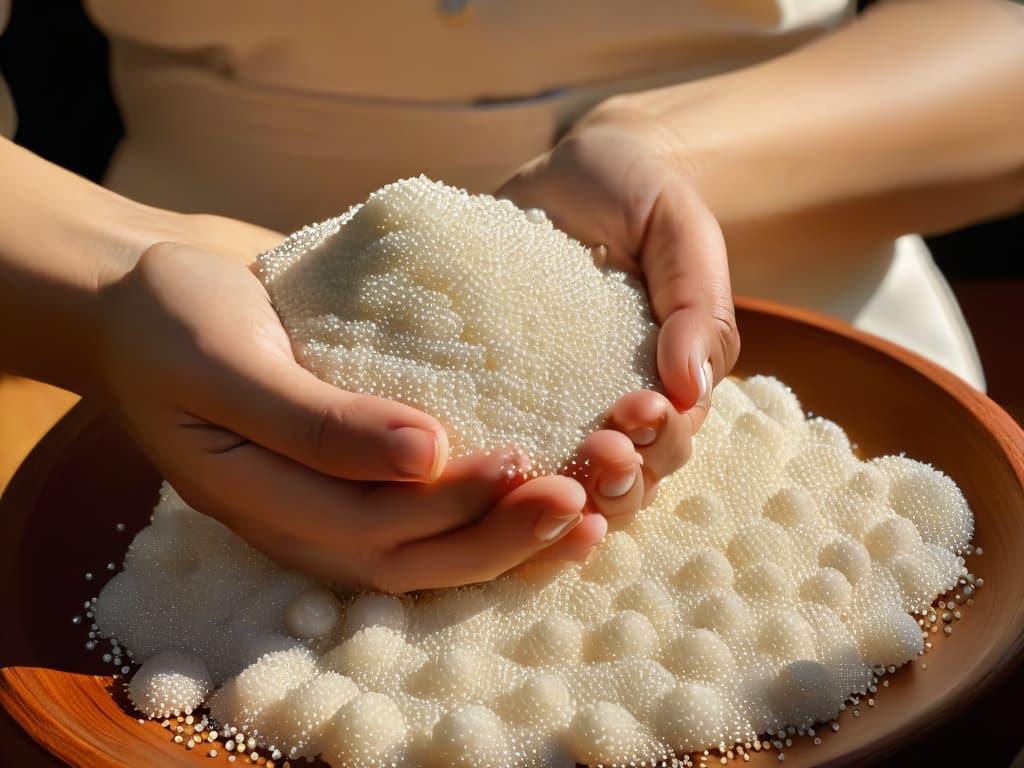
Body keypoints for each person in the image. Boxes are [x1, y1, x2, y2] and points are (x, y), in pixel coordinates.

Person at [0, 0, 1021, 593]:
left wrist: (672, 155)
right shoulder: (140, 316)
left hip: (811, 401)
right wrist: (107, 280)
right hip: (177, 389)